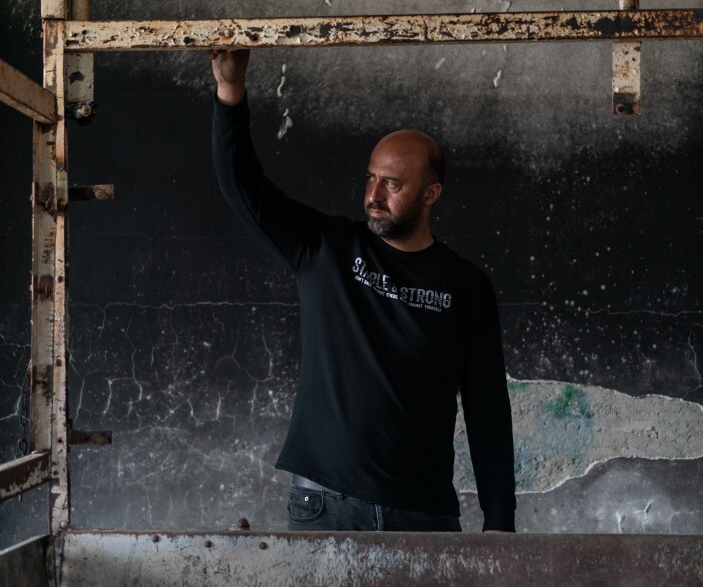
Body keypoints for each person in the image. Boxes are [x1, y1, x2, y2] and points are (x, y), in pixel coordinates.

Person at [210, 49, 516, 532]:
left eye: (391, 184)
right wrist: (230, 94)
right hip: (325, 507)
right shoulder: (325, 248)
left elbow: (488, 412)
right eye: (370, 178)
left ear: (430, 194)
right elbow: (243, 186)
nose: (373, 196)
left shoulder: (466, 287)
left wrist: (500, 522)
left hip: (423, 514)